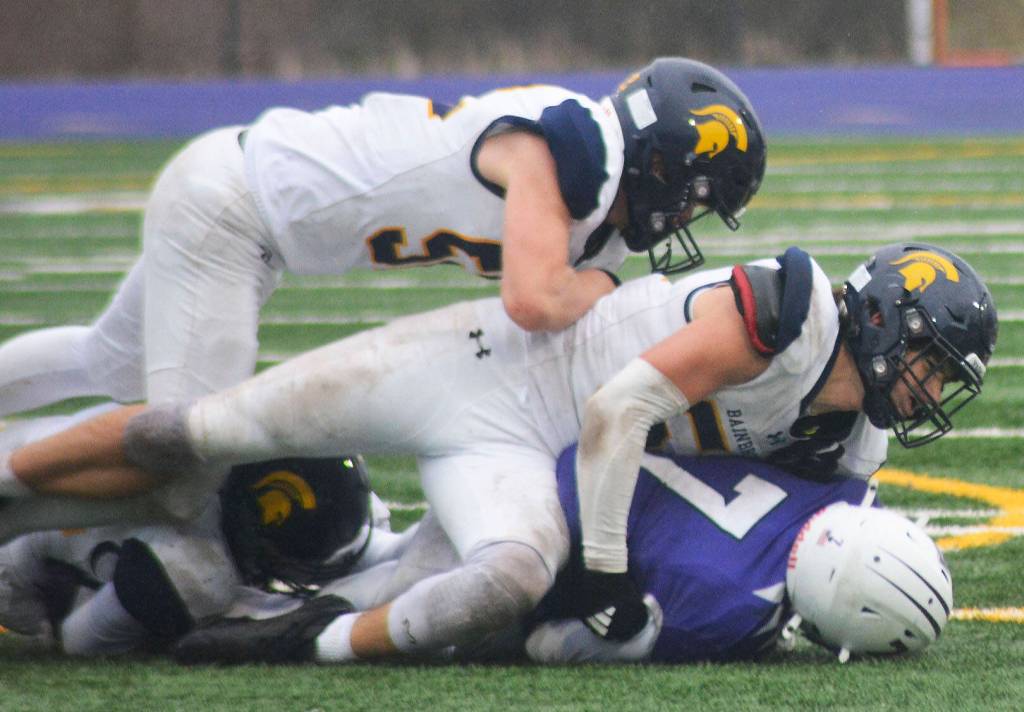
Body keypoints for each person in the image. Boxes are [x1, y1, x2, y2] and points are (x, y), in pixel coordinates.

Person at [0, 242, 996, 663]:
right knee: (201, 431)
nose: (929, 391)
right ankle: (19, 485)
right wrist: (607, 567)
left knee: (477, 583)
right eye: (931, 364)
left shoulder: (855, 429)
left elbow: (814, 534)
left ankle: (264, 620)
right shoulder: (786, 318)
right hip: (501, 376)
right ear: (881, 320)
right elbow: (618, 411)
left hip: (545, 464)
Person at [0, 56, 765, 526]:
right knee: (182, 471)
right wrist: (598, 285)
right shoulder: (576, 146)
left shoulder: (600, 209)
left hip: (242, 188)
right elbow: (534, 302)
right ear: (664, 160)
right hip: (236, 211)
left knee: (109, 362)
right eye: (698, 196)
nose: (687, 218)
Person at [172, 446, 953, 665]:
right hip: (530, 523)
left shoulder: (838, 488)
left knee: (407, 558)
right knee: (435, 610)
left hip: (538, 440)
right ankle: (262, 625)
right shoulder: (726, 610)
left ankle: (327, 543)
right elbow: (556, 644)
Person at [0, 452, 401, 656]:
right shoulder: (189, 562)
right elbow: (81, 639)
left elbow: (380, 552)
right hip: (18, 575)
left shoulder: (319, 483)